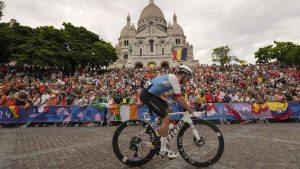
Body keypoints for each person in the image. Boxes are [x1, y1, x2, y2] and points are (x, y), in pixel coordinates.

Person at [140, 65, 195, 159]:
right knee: (166, 117)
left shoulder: (172, 78)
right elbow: (179, 98)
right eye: (188, 78)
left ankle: (155, 128)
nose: (188, 80)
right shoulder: (174, 78)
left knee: (169, 110)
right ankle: (163, 150)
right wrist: (191, 111)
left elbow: (174, 95)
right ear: (183, 75)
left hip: (151, 94)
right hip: (148, 95)